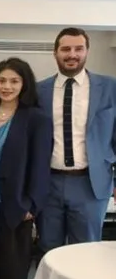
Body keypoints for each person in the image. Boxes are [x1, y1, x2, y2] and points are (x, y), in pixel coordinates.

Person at [0, 57, 53, 279]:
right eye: (1, 80)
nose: (7, 86)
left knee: (10, 269)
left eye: (14, 81)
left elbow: (40, 166)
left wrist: (32, 205)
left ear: (24, 84)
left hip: (16, 205)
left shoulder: (37, 119)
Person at [37, 27, 116, 252]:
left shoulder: (110, 87)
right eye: (66, 49)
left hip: (91, 185)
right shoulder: (38, 91)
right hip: (48, 183)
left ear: (87, 51)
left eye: (78, 49)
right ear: (55, 53)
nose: (72, 54)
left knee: (86, 252)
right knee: (49, 251)